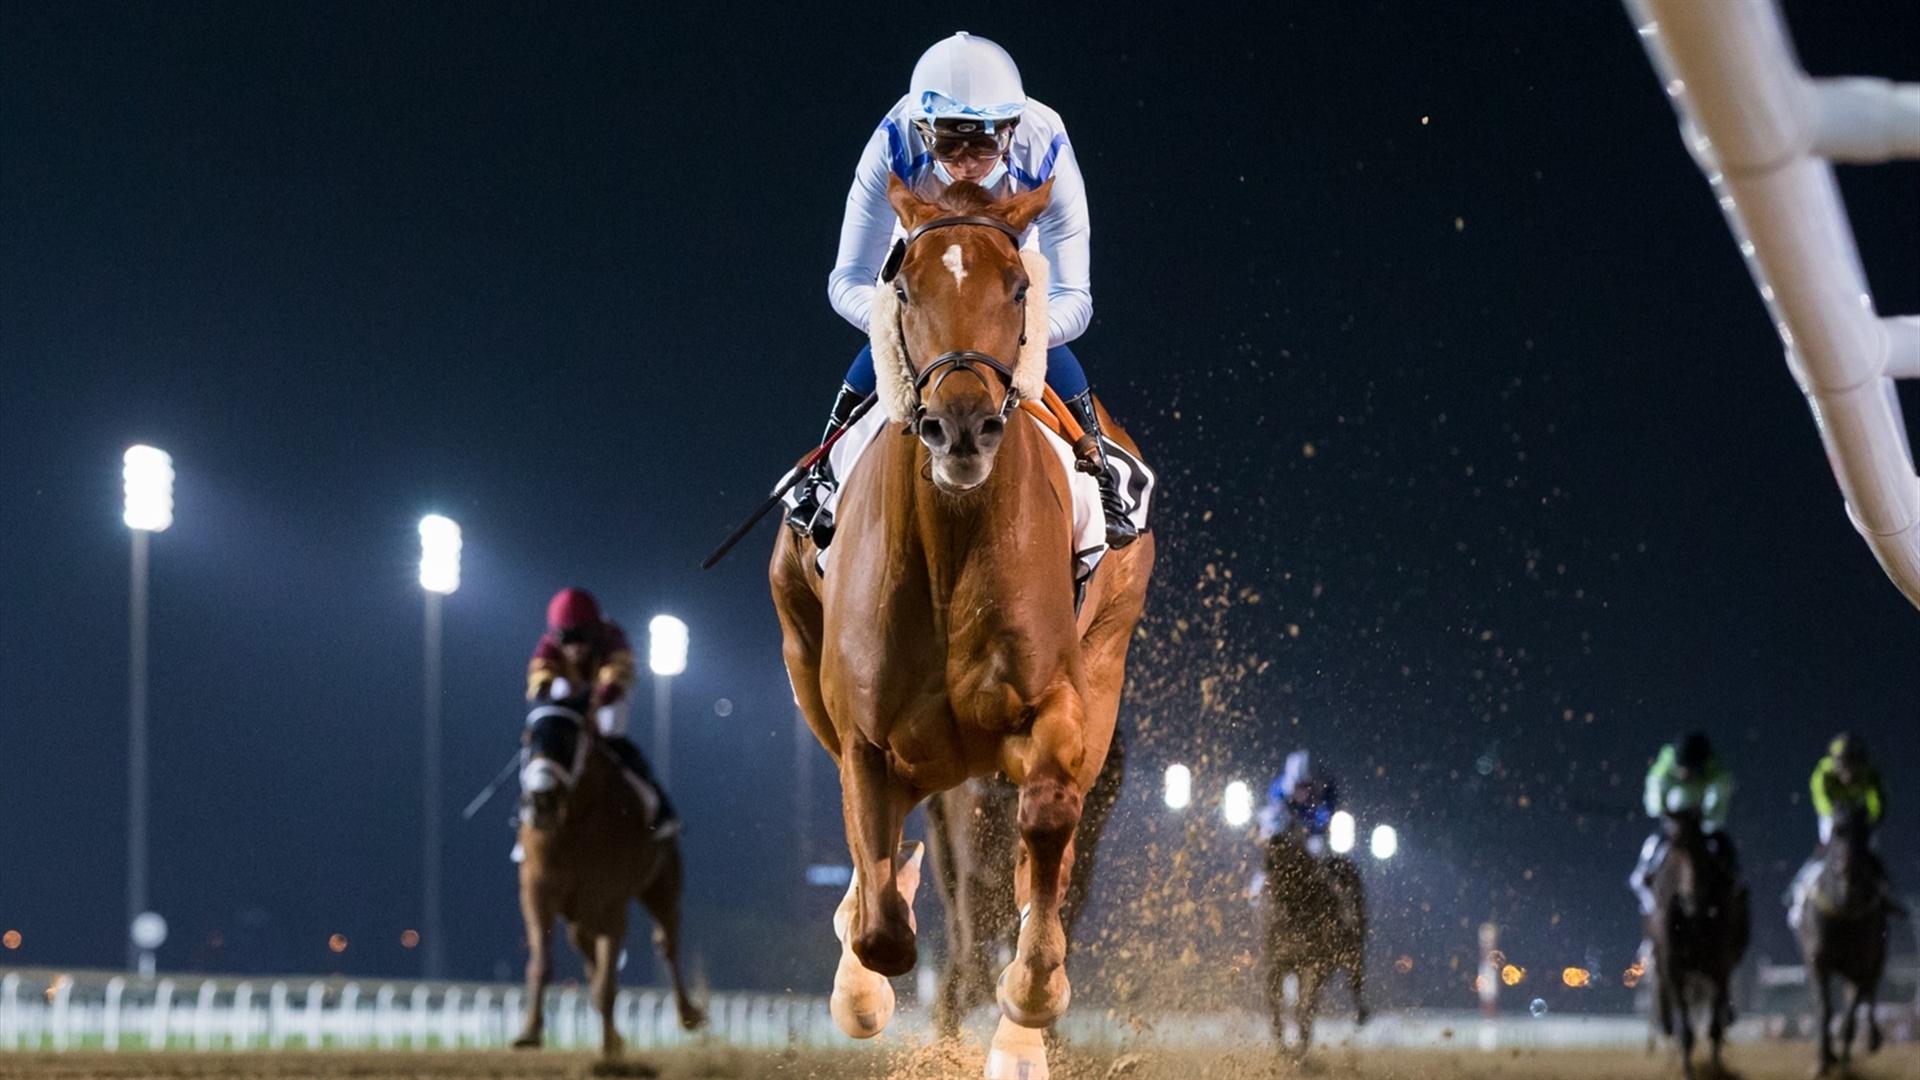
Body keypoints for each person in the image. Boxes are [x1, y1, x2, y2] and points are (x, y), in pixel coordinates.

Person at [786, 31, 1138, 550]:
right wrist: (902, 324)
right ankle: (821, 474)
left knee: (1039, 335)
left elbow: (1075, 299)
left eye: (983, 142)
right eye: (948, 142)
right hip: (926, 259)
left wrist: (1021, 332)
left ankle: (1107, 476)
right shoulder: (891, 143)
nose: (966, 160)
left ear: (1012, 129)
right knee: (888, 339)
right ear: (921, 129)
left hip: (1015, 256)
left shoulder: (1047, 145)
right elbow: (846, 280)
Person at [526, 587, 677, 835]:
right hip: (574, 694)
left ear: (594, 632)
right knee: (551, 722)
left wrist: (601, 697)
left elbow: (618, 672)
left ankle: (660, 807)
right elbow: (541, 669)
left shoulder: (612, 637)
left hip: (606, 694)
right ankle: (532, 804)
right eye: (568, 639)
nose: (575, 648)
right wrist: (542, 684)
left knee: (610, 734)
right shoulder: (549, 643)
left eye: (582, 638)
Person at [1788, 733, 1898, 927]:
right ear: (1836, 762)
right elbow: (1821, 799)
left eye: (1854, 764)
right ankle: (1798, 897)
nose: (1849, 771)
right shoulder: (1823, 773)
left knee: (1869, 852)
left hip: (1859, 817)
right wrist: (1835, 815)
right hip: (1833, 816)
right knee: (1826, 848)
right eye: (1845, 764)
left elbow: (1878, 800)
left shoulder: (1870, 773)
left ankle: (1887, 895)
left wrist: (1873, 818)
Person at [1629, 732, 1738, 915]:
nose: (1686, 775)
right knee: (1656, 842)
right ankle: (1643, 877)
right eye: (1682, 769)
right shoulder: (1665, 765)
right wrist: (1662, 810)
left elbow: (1721, 794)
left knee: (1724, 847)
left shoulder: (1715, 770)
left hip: (1700, 822)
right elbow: (1655, 786)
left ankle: (1734, 882)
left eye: (1691, 771)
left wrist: (1709, 819)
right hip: (1674, 822)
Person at [1258, 750, 1341, 856]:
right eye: (1300, 786)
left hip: (1305, 849)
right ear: (1291, 786)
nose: (1304, 791)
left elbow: (1321, 824)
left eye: (1307, 786)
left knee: (1316, 845)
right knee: (1270, 819)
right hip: (1283, 846)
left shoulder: (1317, 806)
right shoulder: (1280, 798)